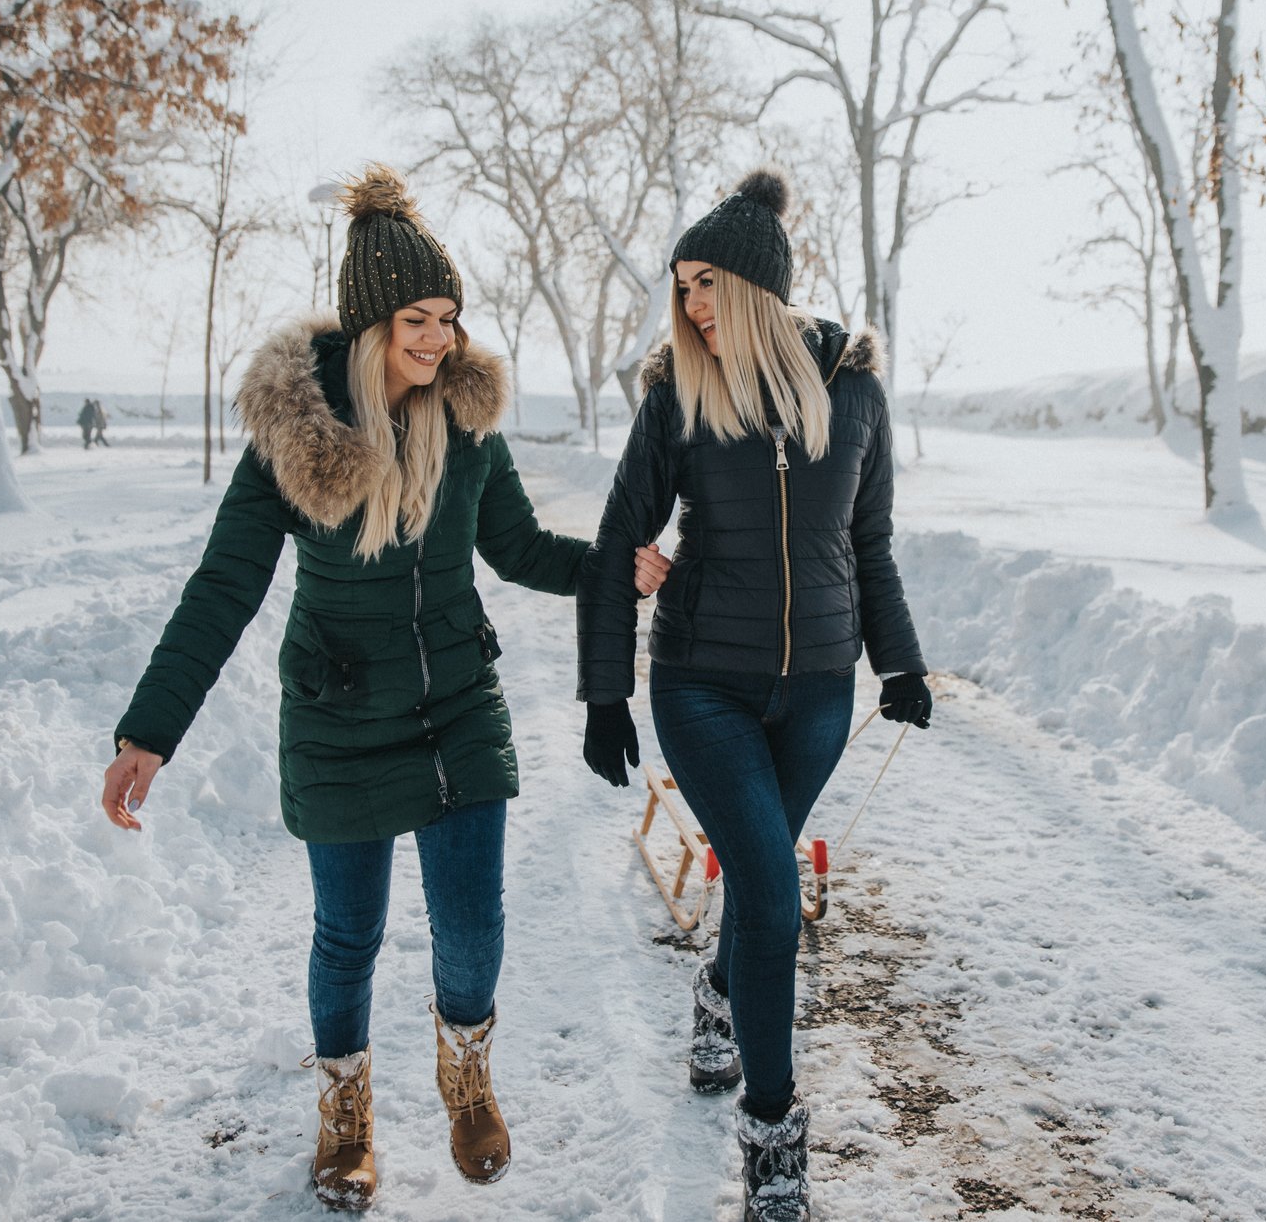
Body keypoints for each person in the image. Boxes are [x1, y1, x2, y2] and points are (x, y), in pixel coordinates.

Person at [100, 165, 668, 1212]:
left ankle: (465, 1069)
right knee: (347, 933)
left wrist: (608, 562)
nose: (438, 338)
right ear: (370, 323)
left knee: (473, 925)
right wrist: (151, 728)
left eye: (449, 318)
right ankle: (346, 1109)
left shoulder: (464, 421)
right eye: (417, 318)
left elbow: (517, 545)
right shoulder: (296, 436)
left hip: (457, 703)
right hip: (336, 710)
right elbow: (224, 584)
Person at [576, 168, 933, 1222]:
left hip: (820, 691)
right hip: (702, 683)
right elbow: (617, 542)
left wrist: (899, 660)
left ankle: (722, 994)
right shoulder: (677, 398)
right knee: (772, 889)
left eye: (707, 284)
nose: (690, 306)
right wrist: (606, 691)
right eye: (681, 285)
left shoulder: (855, 395)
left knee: (762, 871)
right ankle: (773, 1142)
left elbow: (867, 543)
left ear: (760, 292)